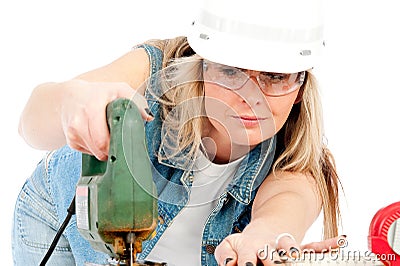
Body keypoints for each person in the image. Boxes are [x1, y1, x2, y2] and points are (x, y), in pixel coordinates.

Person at [12, 0, 343, 265]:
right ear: (202, 64)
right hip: (54, 219)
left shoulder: (299, 159)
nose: (250, 96)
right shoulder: (153, 70)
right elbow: (30, 124)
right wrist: (71, 100)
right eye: (230, 71)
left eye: (274, 77)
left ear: (300, 84)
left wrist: (264, 237)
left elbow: (284, 208)